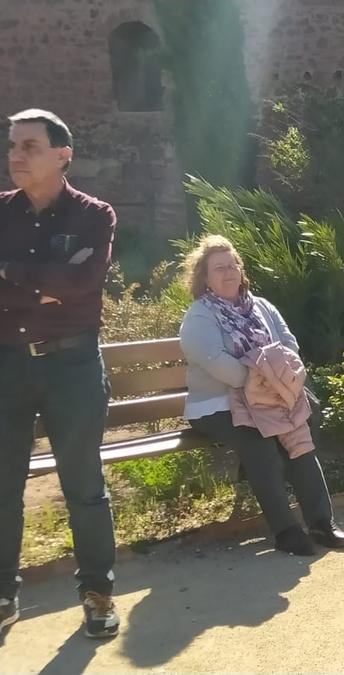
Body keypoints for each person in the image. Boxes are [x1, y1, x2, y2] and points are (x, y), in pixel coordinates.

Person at [0, 109, 120, 638]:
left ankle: (97, 593)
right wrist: (45, 284)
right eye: (12, 146)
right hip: (7, 364)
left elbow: (82, 284)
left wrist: (10, 273)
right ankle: (4, 593)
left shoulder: (95, 216)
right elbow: (63, 285)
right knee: (2, 486)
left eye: (29, 146)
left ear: (62, 154)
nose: (15, 156)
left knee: (84, 486)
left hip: (73, 365)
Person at [179, 235, 344, 556]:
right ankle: (286, 530)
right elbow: (220, 365)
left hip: (268, 397)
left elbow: (289, 344)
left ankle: (321, 523)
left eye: (233, 266)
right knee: (256, 440)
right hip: (218, 405)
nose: (229, 273)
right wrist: (268, 382)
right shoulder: (199, 317)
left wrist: (272, 383)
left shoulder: (261, 307)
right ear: (204, 277)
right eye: (219, 269)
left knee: (300, 436)